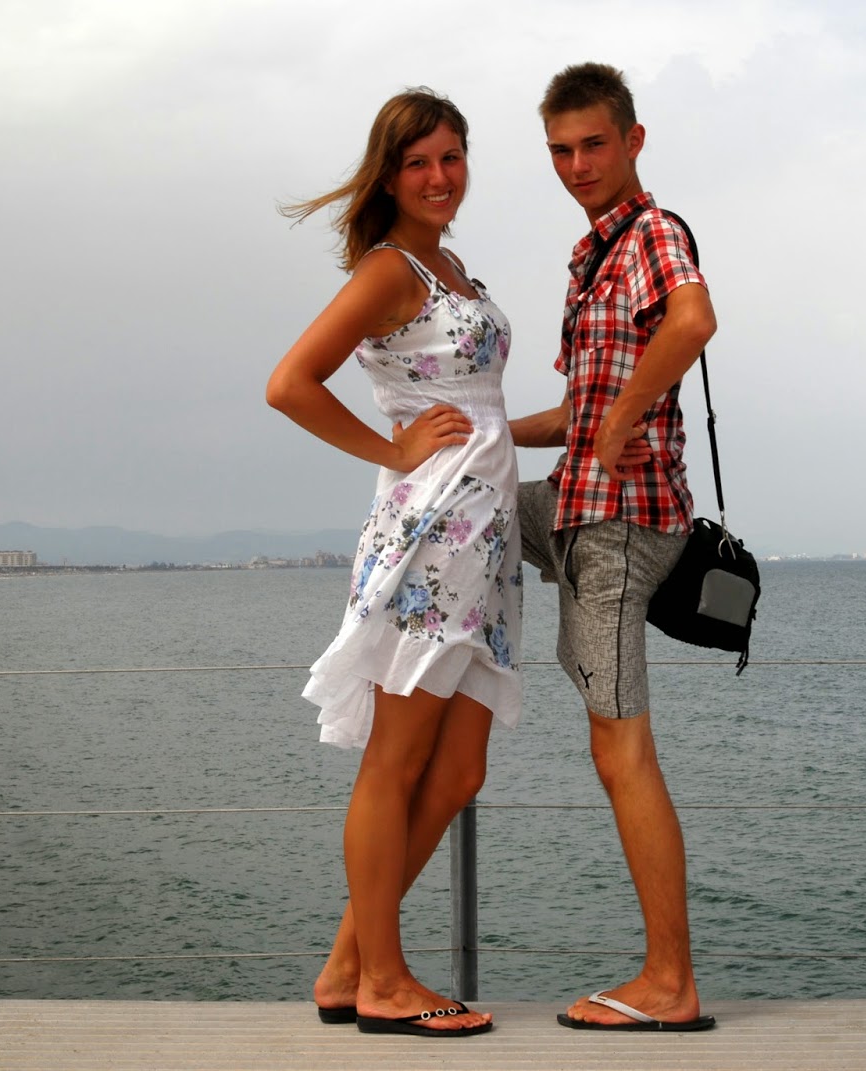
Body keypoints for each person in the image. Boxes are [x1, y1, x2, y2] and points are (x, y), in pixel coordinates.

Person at [266, 87, 519, 1039]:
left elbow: (479, 405)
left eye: (451, 156)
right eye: (418, 162)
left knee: (457, 771)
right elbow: (289, 384)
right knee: (398, 759)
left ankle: (346, 965)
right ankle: (383, 978)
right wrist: (393, 450)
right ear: (388, 175)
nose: (439, 176)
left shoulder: (450, 266)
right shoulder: (388, 269)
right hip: (435, 539)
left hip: (486, 546)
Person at [508, 62, 719, 1032]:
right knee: (467, 511)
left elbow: (694, 320)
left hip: (621, 529)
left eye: (594, 144)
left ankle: (670, 983)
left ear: (634, 140)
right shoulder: (590, 257)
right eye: (560, 150)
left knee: (620, 749)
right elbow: (577, 415)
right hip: (573, 508)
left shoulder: (651, 234)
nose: (577, 165)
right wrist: (482, 433)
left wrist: (629, 411)